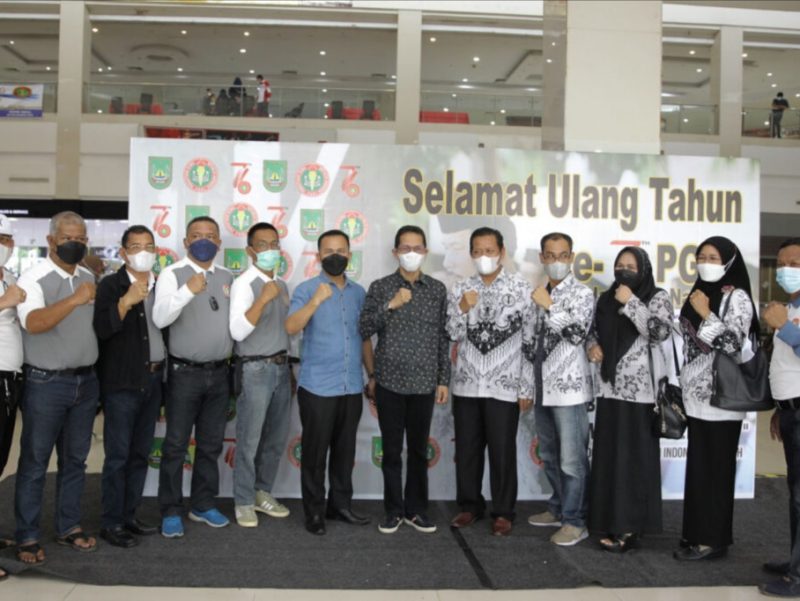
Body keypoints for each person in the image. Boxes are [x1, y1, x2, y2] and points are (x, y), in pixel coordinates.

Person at [14, 211, 99, 565]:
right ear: (51, 240)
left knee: (75, 460)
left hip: (86, 381)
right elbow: (34, 323)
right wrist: (75, 300)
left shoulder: (88, 275)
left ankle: (68, 526)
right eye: (68, 238)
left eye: (80, 239)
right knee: (35, 462)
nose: (74, 244)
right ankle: (27, 536)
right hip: (45, 383)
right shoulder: (33, 278)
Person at [359, 225, 450, 534]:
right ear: (394, 252)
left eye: (417, 248)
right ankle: (393, 511)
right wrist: (391, 305)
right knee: (393, 451)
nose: (411, 253)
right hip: (389, 382)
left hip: (425, 383)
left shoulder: (437, 289)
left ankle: (416, 511)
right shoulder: (380, 286)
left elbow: (442, 338)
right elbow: (364, 328)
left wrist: (443, 379)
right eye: (405, 248)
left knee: (417, 450)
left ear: (425, 252)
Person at [674, 236, 758, 561]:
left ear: (728, 262)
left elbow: (735, 345)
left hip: (722, 400)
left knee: (716, 473)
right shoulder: (699, 293)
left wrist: (706, 314)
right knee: (698, 470)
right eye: (701, 256)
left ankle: (714, 541)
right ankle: (695, 534)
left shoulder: (736, 298)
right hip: (696, 398)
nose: (705, 262)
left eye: (713, 256)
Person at [446, 226, 534, 537]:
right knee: (468, 449)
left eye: (490, 251)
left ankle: (503, 511)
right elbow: (452, 334)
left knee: (502, 451)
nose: (484, 257)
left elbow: (529, 341)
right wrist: (462, 309)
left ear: (502, 253)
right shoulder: (459, 288)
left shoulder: (521, 289)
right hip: (468, 383)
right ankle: (470, 506)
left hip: (505, 385)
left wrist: (526, 387)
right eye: (478, 251)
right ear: (471, 254)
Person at [286, 229, 374, 536]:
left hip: (351, 386)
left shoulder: (359, 293)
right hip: (318, 387)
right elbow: (291, 326)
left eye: (340, 249)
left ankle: (340, 505)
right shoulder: (307, 288)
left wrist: (372, 374)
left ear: (349, 254)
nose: (334, 255)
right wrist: (314, 302)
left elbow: (364, 338)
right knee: (314, 454)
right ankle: (314, 512)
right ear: (318, 255)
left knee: (344, 451)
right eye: (328, 250)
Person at [586, 247, 673, 552]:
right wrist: (592, 346)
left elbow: (659, 332)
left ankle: (630, 528)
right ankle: (607, 519)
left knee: (633, 460)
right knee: (610, 458)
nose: (624, 271)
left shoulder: (658, 296)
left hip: (641, 394)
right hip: (609, 390)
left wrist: (632, 302)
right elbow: (592, 331)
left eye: (631, 266)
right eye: (620, 265)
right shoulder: (606, 298)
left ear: (644, 270)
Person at [152, 216, 234, 538]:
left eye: (211, 236)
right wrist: (187, 290)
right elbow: (160, 318)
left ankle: (202, 504)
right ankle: (171, 509)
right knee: (175, 445)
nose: (204, 240)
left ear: (219, 243)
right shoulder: (172, 274)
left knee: (211, 444)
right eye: (197, 236)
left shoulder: (227, 276)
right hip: (184, 373)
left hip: (219, 373)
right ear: (185, 242)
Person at [93, 225, 164, 548]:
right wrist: (126, 301)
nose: (143, 252)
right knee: (118, 456)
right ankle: (111, 521)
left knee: (139, 454)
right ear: (123, 252)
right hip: (121, 382)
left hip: (153, 380)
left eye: (149, 245)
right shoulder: (111, 285)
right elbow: (103, 330)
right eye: (135, 246)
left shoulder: (162, 285)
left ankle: (129, 514)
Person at [528, 232, 594, 546]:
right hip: (542, 388)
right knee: (551, 455)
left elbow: (577, 334)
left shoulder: (581, 294)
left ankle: (575, 520)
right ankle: (557, 507)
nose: (557, 261)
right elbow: (529, 345)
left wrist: (550, 305)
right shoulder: (537, 293)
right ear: (542, 258)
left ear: (572, 257)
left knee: (572, 460)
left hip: (569, 391)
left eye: (563, 255)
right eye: (551, 255)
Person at [229, 222, 292, 528]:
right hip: (255, 368)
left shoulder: (283, 284)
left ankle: (261, 492)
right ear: (250, 251)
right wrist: (262, 299)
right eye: (263, 244)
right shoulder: (244, 283)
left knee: (275, 438)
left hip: (282, 367)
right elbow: (237, 331)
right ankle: (242, 500)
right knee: (249, 439)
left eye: (274, 243)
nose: (270, 250)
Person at [760, 237, 800, 597]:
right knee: (794, 493)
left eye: (795, 263)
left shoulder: (786, 314)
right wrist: (780, 408)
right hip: (791, 411)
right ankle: (795, 561)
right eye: (783, 264)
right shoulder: (790, 306)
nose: (787, 270)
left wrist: (784, 326)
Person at [0, 214, 25, 578]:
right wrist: (5, 301)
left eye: (7, 238)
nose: (5, 244)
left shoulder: (10, 276)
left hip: (11, 378)